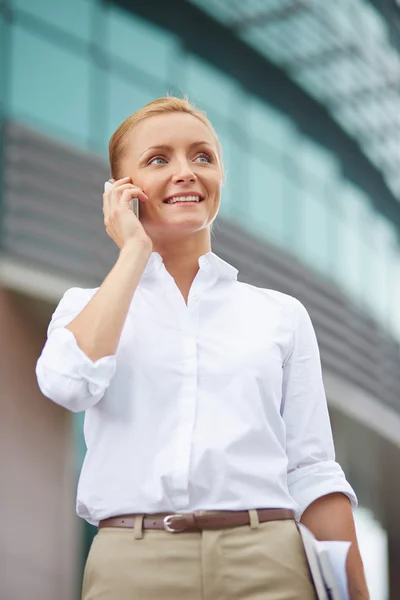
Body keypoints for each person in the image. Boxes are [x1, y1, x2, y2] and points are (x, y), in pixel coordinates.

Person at [36, 96, 369, 600]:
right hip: (133, 561)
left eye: (202, 157)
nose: (186, 172)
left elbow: (313, 469)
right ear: (120, 192)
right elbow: (67, 384)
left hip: (269, 560)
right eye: (157, 159)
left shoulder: (280, 315)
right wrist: (134, 252)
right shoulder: (84, 307)